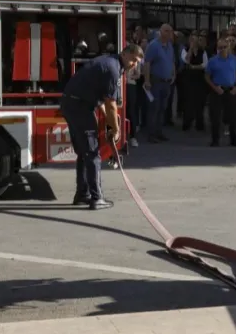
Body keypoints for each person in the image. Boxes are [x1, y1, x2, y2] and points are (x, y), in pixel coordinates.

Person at [60, 44, 144, 210]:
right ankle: (96, 198)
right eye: (133, 60)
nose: (134, 64)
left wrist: (109, 121)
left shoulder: (109, 62)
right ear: (125, 54)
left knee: (84, 152)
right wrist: (116, 130)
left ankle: (82, 194)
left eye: (137, 62)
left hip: (72, 104)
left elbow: (101, 99)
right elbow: (111, 105)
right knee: (92, 152)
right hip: (80, 107)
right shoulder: (113, 69)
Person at [205, 38, 236, 147]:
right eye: (220, 47)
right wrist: (215, 88)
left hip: (231, 90)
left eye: (224, 47)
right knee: (215, 117)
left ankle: (234, 139)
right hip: (217, 90)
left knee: (233, 116)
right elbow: (207, 76)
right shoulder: (213, 61)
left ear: (228, 47)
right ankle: (215, 140)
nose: (222, 49)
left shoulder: (235, 60)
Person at [143, 24, 175, 143]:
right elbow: (147, 63)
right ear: (160, 32)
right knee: (154, 108)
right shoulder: (153, 45)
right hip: (156, 81)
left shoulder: (170, 45)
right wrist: (147, 80)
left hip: (167, 82)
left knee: (163, 108)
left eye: (170, 31)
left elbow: (171, 61)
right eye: (166, 31)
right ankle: (151, 134)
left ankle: (159, 132)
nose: (169, 33)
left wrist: (173, 74)